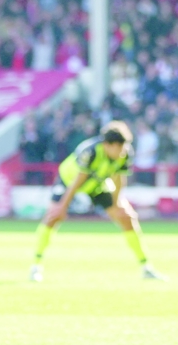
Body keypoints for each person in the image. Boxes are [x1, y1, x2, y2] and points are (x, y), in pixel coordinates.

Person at [29, 121, 165, 282]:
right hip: (68, 183)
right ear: (108, 145)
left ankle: (146, 267)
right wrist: (62, 207)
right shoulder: (91, 151)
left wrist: (117, 204)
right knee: (53, 217)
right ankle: (36, 266)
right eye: (119, 148)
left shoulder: (125, 153)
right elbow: (78, 180)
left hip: (96, 185)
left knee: (127, 217)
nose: (123, 152)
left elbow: (119, 178)